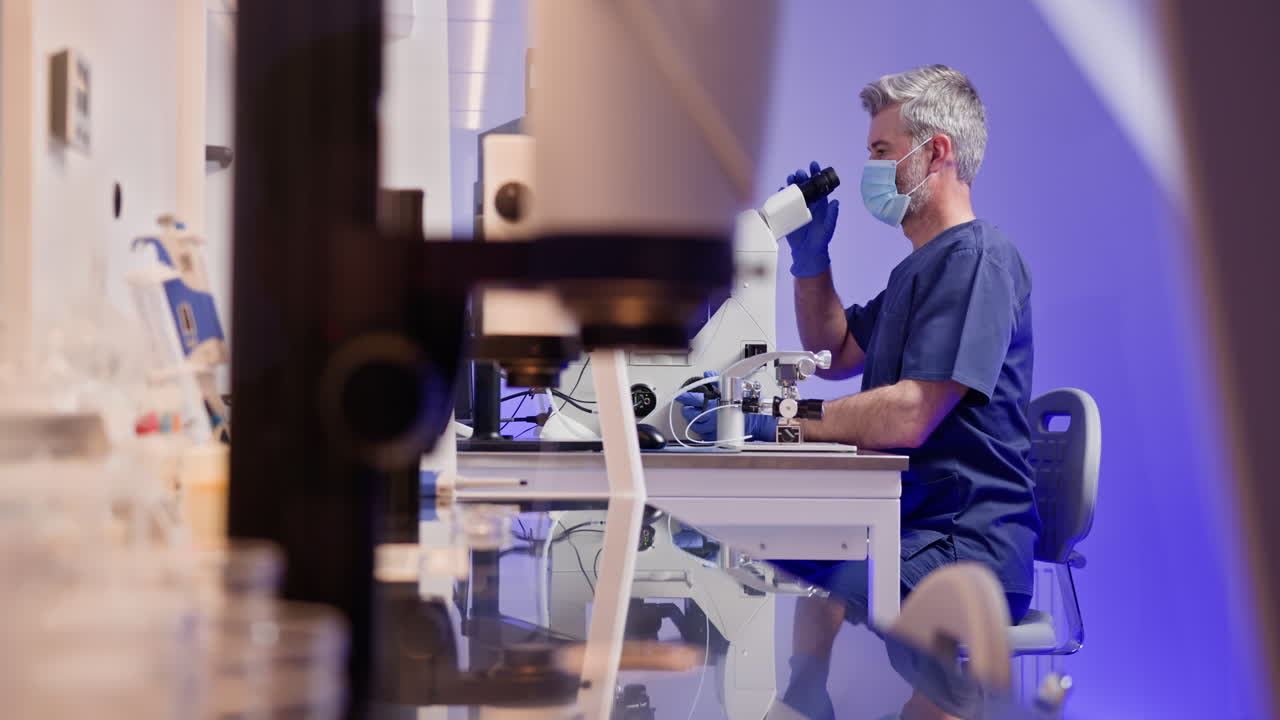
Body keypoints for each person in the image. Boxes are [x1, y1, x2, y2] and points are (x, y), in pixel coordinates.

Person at [678, 64, 1040, 720]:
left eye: (880, 152)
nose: (871, 168)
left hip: (967, 546)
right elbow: (836, 351)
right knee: (798, 541)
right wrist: (811, 259)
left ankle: (905, 699)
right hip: (913, 530)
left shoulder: (979, 258)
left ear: (935, 152)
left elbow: (909, 415)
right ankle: (805, 695)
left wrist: (779, 419)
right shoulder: (918, 271)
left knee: (813, 556)